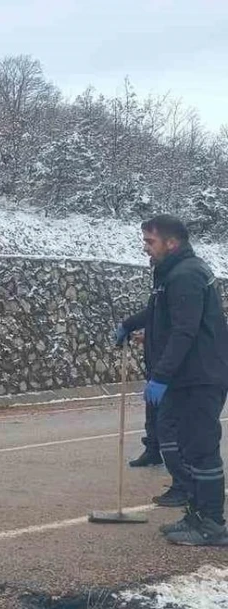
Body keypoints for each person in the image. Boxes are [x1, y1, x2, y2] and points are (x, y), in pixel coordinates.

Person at [114, 214, 228, 546]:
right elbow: (159, 312)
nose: (146, 248)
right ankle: (197, 514)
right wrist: (129, 324)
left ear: (171, 242)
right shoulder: (174, 273)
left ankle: (211, 524)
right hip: (188, 377)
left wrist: (160, 376)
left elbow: (185, 330)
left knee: (201, 448)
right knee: (189, 447)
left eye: (150, 242)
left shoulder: (186, 275)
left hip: (200, 377)